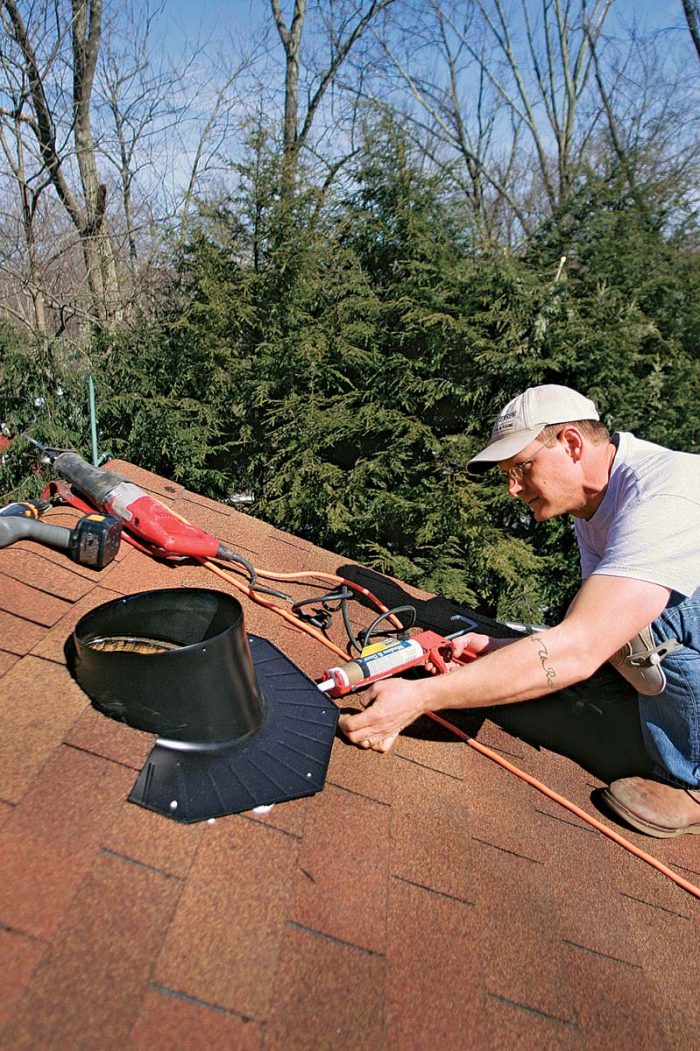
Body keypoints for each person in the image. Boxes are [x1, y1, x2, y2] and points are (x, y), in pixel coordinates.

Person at [338, 384, 700, 838]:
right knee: (619, 617)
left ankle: (691, 782)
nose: (512, 488)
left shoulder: (663, 499)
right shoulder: (598, 506)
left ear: (571, 444)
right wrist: (497, 647)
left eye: (521, 467)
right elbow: (585, 629)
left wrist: (421, 698)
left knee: (649, 621)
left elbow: (583, 645)